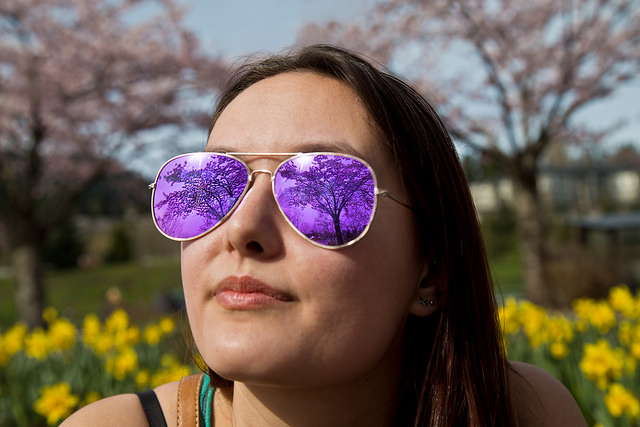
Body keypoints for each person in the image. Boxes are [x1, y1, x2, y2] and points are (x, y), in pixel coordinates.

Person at [62, 44, 586, 426]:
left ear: (432, 269)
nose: (243, 228)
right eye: (208, 186)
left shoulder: (521, 410)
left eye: (320, 191)